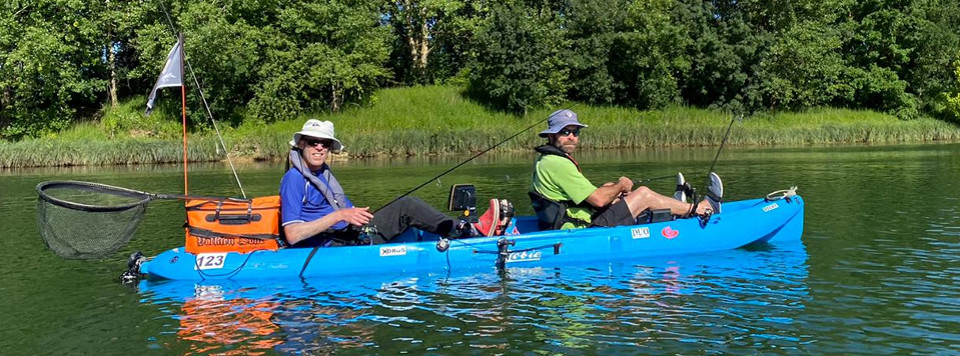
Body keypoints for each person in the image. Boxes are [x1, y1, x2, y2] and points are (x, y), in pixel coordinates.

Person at [280, 119, 508, 247]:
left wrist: (353, 216)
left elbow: (346, 211)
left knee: (404, 206)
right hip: (333, 245)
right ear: (301, 145)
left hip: (349, 233)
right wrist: (340, 216)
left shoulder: (323, 173)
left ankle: (464, 228)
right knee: (407, 206)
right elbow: (292, 233)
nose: (319, 148)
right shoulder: (294, 179)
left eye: (325, 144)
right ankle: (470, 230)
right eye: (313, 142)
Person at [529, 109, 723, 230]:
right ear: (552, 136)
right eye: (565, 132)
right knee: (643, 194)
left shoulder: (545, 160)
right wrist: (621, 184)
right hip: (582, 229)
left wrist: (614, 189)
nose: (572, 136)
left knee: (609, 188)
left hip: (575, 220)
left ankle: (673, 207)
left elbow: (587, 198)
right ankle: (700, 209)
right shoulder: (557, 163)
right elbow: (597, 199)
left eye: (576, 132)